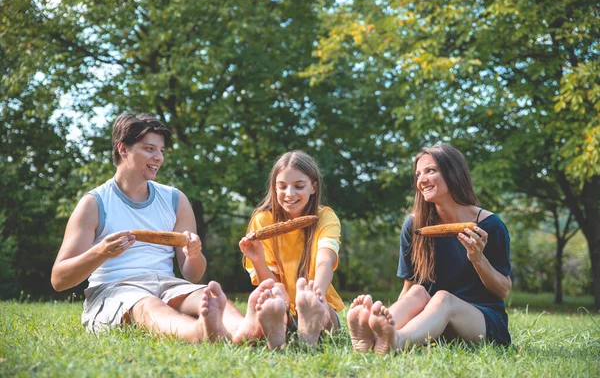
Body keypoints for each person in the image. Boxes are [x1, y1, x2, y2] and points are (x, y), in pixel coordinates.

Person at [51, 113, 269, 344]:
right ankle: (199, 333)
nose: (158, 157)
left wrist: (193, 254)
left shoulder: (175, 200)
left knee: (209, 294)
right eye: (149, 149)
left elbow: (192, 274)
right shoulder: (94, 204)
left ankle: (245, 329)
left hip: (166, 284)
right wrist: (101, 251)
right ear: (123, 149)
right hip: (115, 289)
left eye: (161, 150)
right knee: (147, 304)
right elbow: (59, 280)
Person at [347, 144, 512, 353]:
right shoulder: (415, 226)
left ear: (454, 173)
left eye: (430, 171)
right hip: (431, 320)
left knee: (443, 298)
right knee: (417, 291)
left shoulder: (489, 225)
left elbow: (503, 289)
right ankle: (372, 338)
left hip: (482, 322)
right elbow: (408, 289)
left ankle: (397, 341)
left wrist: (478, 258)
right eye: (418, 174)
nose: (421, 180)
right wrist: (391, 318)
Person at [238, 150, 344, 349]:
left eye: (299, 186)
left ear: (313, 187)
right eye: (282, 186)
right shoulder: (262, 220)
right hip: (281, 305)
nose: (289, 194)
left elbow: (325, 260)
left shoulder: (326, 217)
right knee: (275, 296)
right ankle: (280, 328)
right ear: (274, 188)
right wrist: (258, 259)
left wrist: (316, 296)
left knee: (323, 314)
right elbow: (269, 283)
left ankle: (308, 322)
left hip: (320, 306)